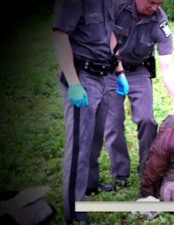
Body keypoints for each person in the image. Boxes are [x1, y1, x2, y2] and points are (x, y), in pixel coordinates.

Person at [52, 0, 129, 224]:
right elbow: (59, 36)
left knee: (95, 139)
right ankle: (74, 211)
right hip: (82, 76)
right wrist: (73, 82)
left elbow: (110, 34)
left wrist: (120, 71)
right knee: (79, 145)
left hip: (105, 76)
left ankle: (90, 185)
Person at [104, 0, 174, 186]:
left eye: (159, 3)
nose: (155, 7)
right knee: (113, 123)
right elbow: (103, 36)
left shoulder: (159, 21)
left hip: (139, 70)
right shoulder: (116, 6)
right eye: (151, 2)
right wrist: (118, 70)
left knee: (147, 120)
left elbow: (167, 64)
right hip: (110, 70)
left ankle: (147, 169)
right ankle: (121, 173)